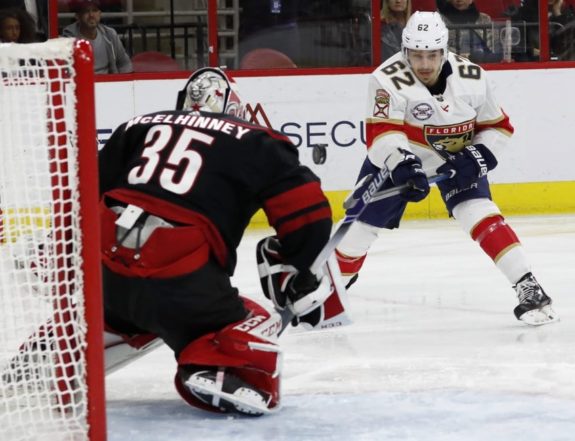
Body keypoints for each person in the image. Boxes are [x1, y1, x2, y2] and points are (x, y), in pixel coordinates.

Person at [98, 67, 336, 415]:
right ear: (235, 109)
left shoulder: (139, 124)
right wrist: (301, 271)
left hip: (105, 274)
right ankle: (218, 365)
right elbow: (309, 215)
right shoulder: (257, 139)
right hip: (181, 285)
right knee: (253, 318)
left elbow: (83, 191)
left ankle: (87, 338)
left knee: (125, 302)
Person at [335, 11, 558, 326]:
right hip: (399, 162)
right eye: (416, 55)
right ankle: (330, 295)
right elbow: (382, 134)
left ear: (445, 50)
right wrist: (402, 164)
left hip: (455, 158)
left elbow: (498, 127)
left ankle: (528, 286)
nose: (424, 64)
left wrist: (478, 156)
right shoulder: (385, 79)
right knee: (359, 232)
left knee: (479, 211)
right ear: (404, 51)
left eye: (432, 55)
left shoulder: (473, 77)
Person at [62, 0, 132, 74]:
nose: (91, 15)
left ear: (100, 14)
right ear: (78, 16)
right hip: (83, 84)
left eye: (94, 10)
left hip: (108, 83)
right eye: (86, 11)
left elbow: (124, 64)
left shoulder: (110, 35)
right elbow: (65, 71)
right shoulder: (69, 39)